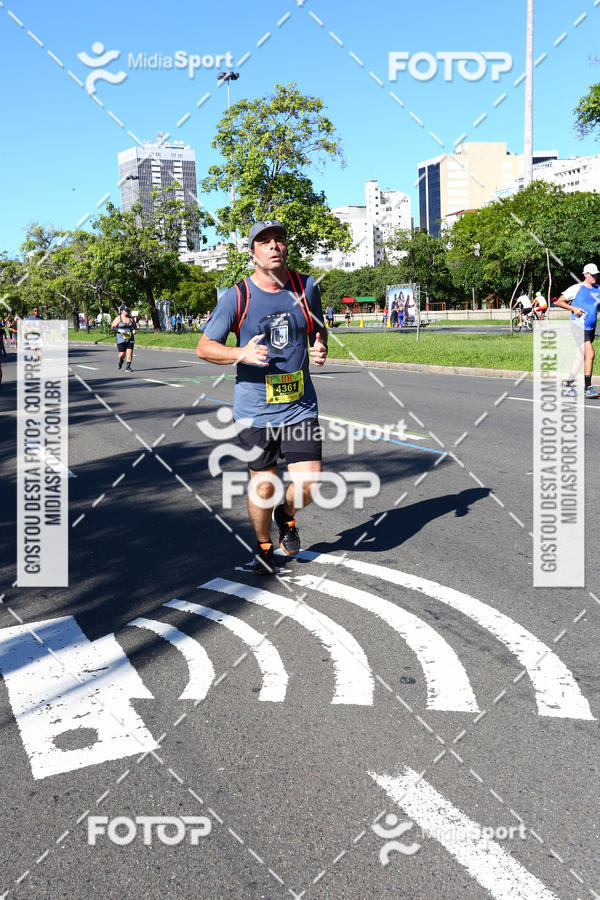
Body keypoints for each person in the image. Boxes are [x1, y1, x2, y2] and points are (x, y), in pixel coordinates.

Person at [196, 220, 327, 574]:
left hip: (300, 405)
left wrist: (320, 346)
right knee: (264, 486)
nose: (274, 246)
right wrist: (240, 354)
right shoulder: (238, 296)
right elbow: (204, 346)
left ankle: (287, 516)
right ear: (252, 251)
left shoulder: (306, 286)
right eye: (265, 241)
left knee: (309, 481)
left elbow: (318, 327)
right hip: (255, 411)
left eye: (279, 240)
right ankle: (264, 545)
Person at [555, 263, 600, 399]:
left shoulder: (598, 289)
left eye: (596, 274)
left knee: (581, 356)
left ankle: (568, 384)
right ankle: (588, 388)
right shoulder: (576, 288)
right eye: (592, 274)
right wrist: (574, 309)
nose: (595, 276)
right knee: (590, 353)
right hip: (578, 326)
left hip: (590, 327)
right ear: (585, 274)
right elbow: (559, 302)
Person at [111, 304, 136, 372]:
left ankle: (128, 366)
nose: (127, 312)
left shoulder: (131, 318)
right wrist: (119, 330)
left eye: (128, 310)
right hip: (120, 338)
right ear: (122, 311)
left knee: (129, 353)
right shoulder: (118, 318)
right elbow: (113, 326)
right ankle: (121, 361)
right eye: (126, 310)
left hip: (130, 337)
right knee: (122, 354)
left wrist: (134, 330)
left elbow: (134, 326)